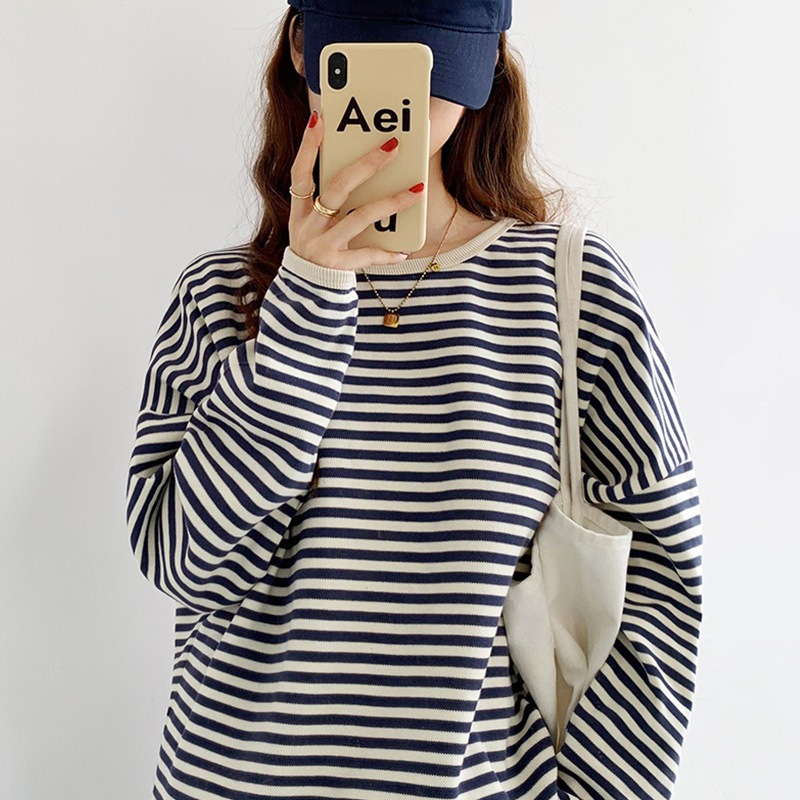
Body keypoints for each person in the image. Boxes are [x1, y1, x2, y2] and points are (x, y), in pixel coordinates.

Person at [125, 1, 704, 798]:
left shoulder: (569, 292)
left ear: (487, 62)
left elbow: (661, 581)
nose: (393, 99)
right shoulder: (220, 297)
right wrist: (307, 305)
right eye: (365, 59)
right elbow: (179, 562)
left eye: (427, 66)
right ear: (303, 47)